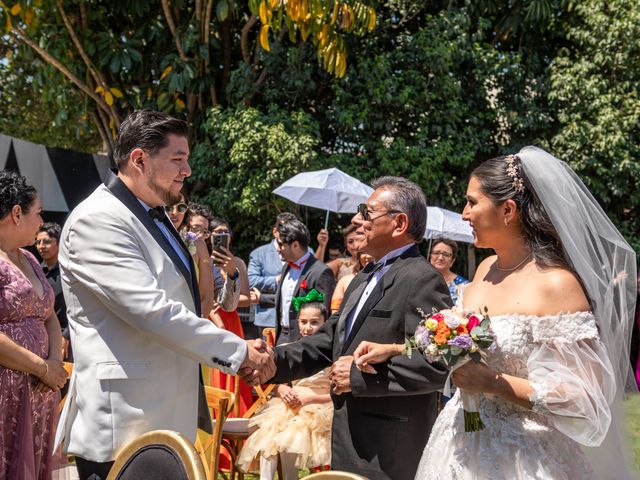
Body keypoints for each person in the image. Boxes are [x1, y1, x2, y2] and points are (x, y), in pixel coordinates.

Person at [353, 147, 638, 479]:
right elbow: (457, 337)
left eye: (472, 202)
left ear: (508, 210)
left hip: (523, 456)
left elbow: (585, 400)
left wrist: (495, 384)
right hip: (459, 439)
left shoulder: (557, 283)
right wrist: (401, 348)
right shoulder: (484, 269)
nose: (463, 213)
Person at [54, 110, 274, 480]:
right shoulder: (100, 219)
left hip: (160, 418)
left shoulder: (149, 214)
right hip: (126, 423)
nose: (187, 170)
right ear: (139, 159)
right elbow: (152, 311)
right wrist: (239, 351)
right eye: (178, 159)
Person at [265, 177, 452, 480]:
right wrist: (270, 362)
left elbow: (434, 363)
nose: (356, 220)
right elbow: (329, 340)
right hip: (348, 439)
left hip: (386, 450)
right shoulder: (363, 276)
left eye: (366, 213)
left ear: (399, 223)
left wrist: (356, 376)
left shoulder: (422, 279)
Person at [0, 170, 68, 479]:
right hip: (7, 396)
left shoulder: (28, 259)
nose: (41, 222)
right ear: (16, 213)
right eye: (37, 213)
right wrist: (42, 368)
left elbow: (49, 314)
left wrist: (55, 363)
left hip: (40, 393)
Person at [238, 289, 333, 479]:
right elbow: (279, 380)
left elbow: (337, 392)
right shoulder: (291, 349)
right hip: (290, 408)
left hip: (320, 407)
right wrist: (282, 388)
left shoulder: (329, 356)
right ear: (297, 322)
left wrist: (313, 398)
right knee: (268, 444)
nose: (308, 328)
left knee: (291, 441)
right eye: (304, 322)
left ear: (326, 324)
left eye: (315, 323)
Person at [255, 218, 335, 345]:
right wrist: (261, 298)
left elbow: (323, 313)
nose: (278, 249)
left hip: (304, 340)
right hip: (281, 335)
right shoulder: (287, 266)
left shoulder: (321, 272)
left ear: (295, 245)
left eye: (281, 244)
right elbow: (289, 300)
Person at [165, 193, 217, 325]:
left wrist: (197, 327)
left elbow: (206, 297)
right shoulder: (147, 236)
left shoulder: (198, 244)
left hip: (191, 323)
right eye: (169, 207)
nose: (175, 212)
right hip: (160, 321)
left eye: (181, 207)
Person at [247, 212, 297, 332]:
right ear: (275, 231)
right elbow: (251, 281)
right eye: (284, 229)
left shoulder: (304, 251)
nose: (288, 234)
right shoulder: (259, 254)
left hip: (296, 319)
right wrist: (277, 279)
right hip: (268, 318)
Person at [36, 221, 72, 361]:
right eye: (38, 242)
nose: (41, 246)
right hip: (43, 338)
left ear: (58, 242)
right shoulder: (35, 271)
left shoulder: (69, 270)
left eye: (46, 241)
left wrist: (66, 335)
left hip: (69, 337)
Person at [428, 238, 468, 304]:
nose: (440, 258)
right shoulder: (421, 280)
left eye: (446, 254)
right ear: (430, 257)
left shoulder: (462, 286)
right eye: (436, 253)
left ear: (452, 261)